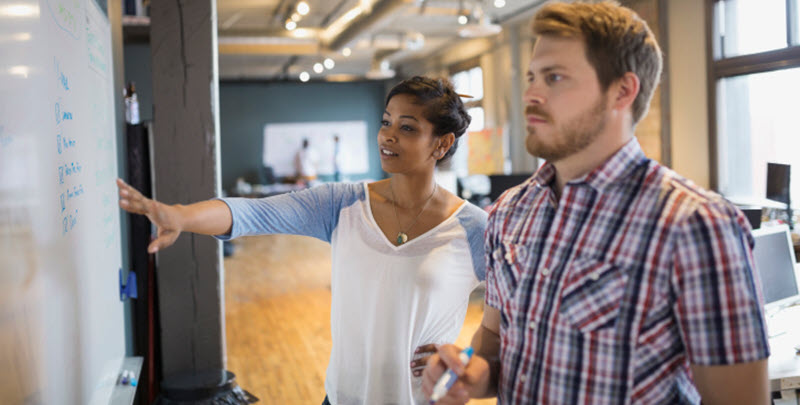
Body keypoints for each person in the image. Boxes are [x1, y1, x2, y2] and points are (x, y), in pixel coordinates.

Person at [423, 2, 770, 404]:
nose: (532, 93)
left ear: (622, 91)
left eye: (554, 77)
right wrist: (474, 373)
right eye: (532, 76)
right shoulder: (510, 212)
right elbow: (495, 337)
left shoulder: (697, 226)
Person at [117, 76, 487, 405]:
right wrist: (179, 215)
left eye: (407, 128)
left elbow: (511, 317)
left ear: (441, 144)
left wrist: (465, 356)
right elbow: (253, 213)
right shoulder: (344, 204)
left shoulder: (474, 227)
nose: (388, 135)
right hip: (344, 396)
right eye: (386, 122)